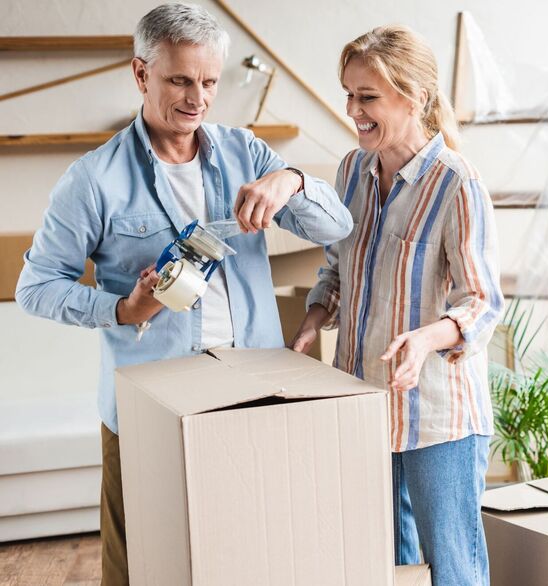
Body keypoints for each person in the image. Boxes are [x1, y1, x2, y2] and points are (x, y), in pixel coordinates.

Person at [15, 4, 351, 584]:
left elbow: (335, 227)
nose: (197, 98)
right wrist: (122, 308)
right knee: (142, 566)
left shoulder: (246, 152)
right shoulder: (93, 180)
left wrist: (291, 179)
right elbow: (35, 288)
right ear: (141, 74)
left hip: (253, 392)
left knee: (253, 555)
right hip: (151, 405)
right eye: (180, 80)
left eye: (210, 82)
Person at [292, 25, 502, 586]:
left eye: (368, 97)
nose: (353, 111)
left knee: (452, 572)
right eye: (349, 94)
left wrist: (427, 338)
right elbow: (338, 266)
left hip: (437, 418)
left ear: (414, 98)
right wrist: (316, 315)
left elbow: (482, 302)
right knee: (382, 567)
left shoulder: (458, 184)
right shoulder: (351, 171)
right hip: (363, 405)